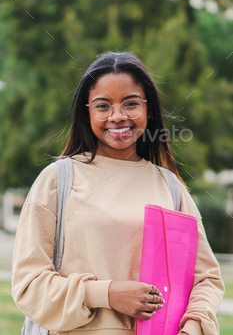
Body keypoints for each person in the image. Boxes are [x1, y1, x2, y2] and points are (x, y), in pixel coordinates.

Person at [12, 52, 224, 335]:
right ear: (87, 112)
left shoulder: (170, 186)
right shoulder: (58, 180)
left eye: (131, 104)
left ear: (148, 109)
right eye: (103, 106)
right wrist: (107, 294)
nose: (117, 116)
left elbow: (206, 278)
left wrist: (194, 327)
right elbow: (28, 284)